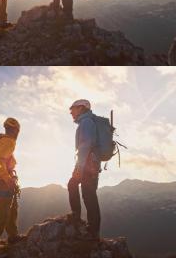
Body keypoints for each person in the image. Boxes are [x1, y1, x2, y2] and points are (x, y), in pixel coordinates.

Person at [0, 117, 23, 254]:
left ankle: (13, 236)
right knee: (2, 215)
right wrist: (7, 178)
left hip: (1, 182)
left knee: (12, 210)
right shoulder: (8, 141)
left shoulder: (1, 140)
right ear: (16, 130)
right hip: (3, 183)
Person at [67, 99, 102, 244]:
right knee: (87, 194)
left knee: (87, 195)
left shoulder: (86, 123)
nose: (71, 112)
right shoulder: (86, 122)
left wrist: (78, 168)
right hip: (90, 164)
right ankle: (84, 223)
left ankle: (90, 230)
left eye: (73, 109)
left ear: (81, 108)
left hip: (87, 165)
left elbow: (85, 146)